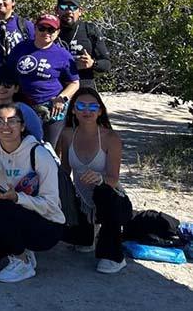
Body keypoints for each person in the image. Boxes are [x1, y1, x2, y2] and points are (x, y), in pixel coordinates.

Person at [0, 103, 66, 282]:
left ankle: (21, 260)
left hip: (45, 224)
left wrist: (18, 198)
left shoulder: (38, 154)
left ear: (22, 126)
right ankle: (18, 247)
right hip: (8, 220)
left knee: (3, 205)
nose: (5, 126)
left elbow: (51, 205)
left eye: (12, 121)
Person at [57, 87, 132, 274]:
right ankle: (87, 235)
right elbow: (65, 170)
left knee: (103, 192)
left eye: (93, 106)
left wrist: (100, 178)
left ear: (100, 111)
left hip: (111, 200)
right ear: (73, 110)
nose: (87, 111)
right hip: (83, 202)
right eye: (81, 105)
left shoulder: (111, 138)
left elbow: (114, 179)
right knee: (75, 240)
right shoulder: (67, 134)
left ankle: (114, 255)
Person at [7, 14, 80, 148]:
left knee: (47, 147)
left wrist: (62, 99)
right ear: (35, 29)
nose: (46, 33)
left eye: (51, 30)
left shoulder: (63, 55)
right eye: (42, 28)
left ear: (57, 32)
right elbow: (9, 73)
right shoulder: (21, 48)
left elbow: (74, 83)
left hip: (51, 108)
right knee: (22, 145)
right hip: (22, 105)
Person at [56, 0, 111, 90]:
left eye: (73, 8)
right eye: (64, 7)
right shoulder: (48, 30)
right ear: (56, 9)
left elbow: (106, 64)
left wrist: (92, 63)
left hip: (84, 90)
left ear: (80, 11)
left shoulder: (89, 29)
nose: (69, 11)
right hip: (55, 89)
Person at [0, 68, 44, 144]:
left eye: (8, 84)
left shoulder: (24, 110)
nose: (1, 87)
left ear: (16, 88)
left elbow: (37, 137)